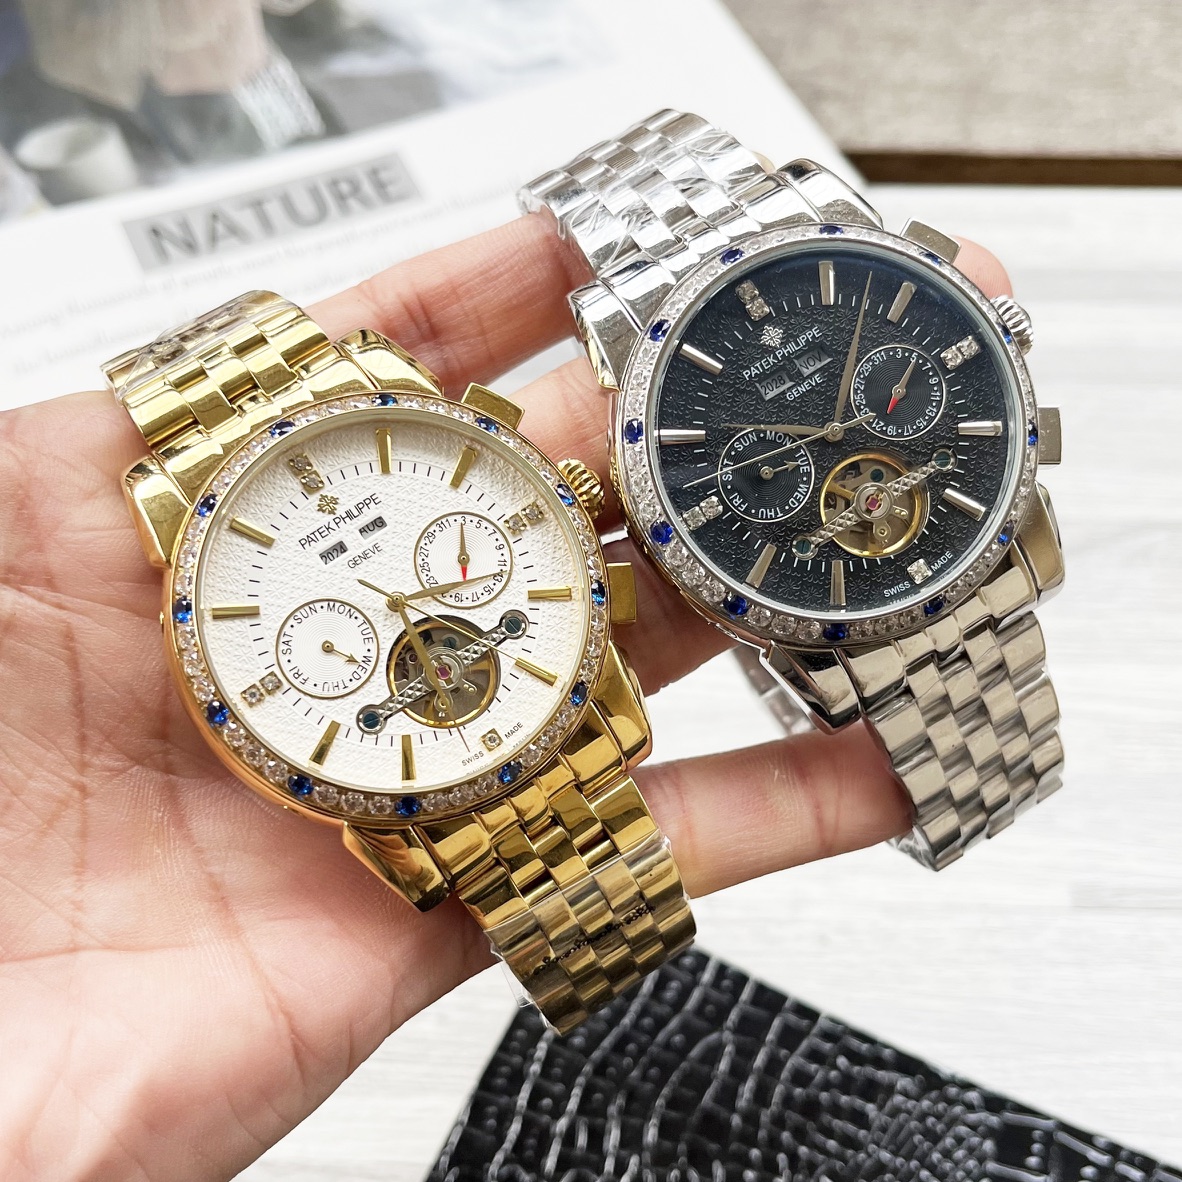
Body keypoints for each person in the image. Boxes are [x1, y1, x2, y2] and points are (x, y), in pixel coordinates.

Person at [0, 212, 1014, 1180]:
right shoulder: (180, 538)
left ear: (562, 496)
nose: (400, 601)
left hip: (522, 703)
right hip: (434, 774)